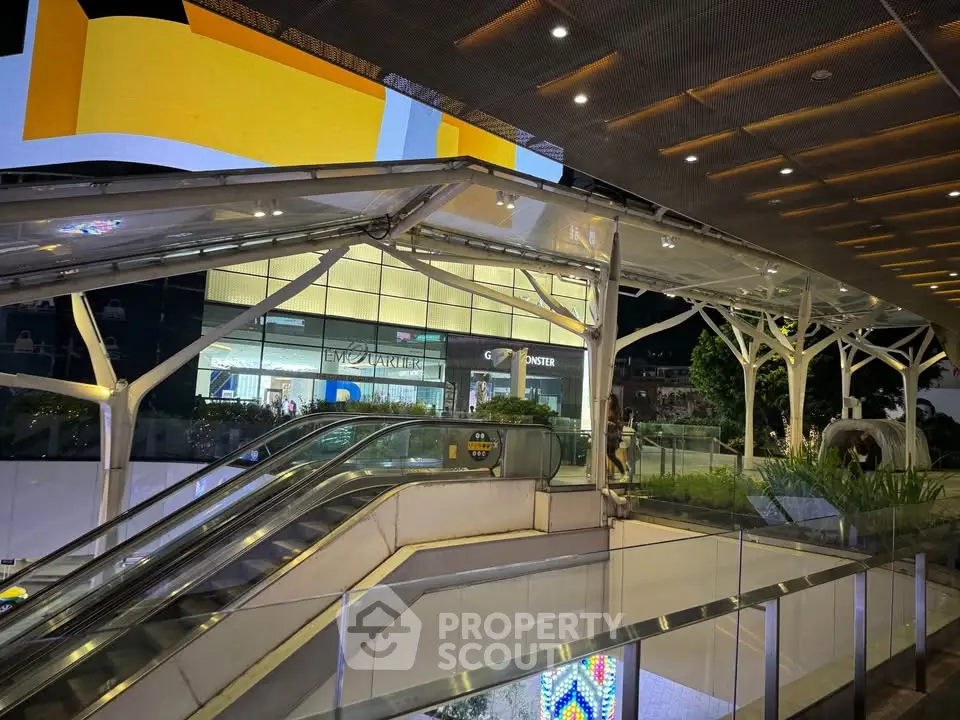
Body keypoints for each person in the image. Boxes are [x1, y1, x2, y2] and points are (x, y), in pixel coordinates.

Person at [606, 394, 626, 478]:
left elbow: (618, 425)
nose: (608, 401)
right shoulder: (608, 409)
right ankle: (611, 473)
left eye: (610, 399)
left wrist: (610, 423)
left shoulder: (615, 412)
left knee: (611, 455)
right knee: (609, 455)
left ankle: (623, 472)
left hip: (612, 437)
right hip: (608, 436)